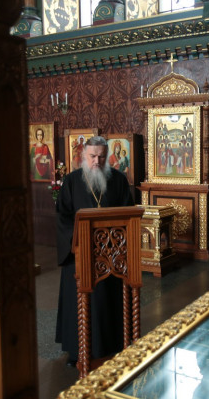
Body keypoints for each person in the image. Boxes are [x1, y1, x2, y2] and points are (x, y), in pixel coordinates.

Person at [55, 136, 133, 367]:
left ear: (107, 156)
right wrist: (77, 241)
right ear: (83, 156)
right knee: (79, 304)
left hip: (111, 255)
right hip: (79, 255)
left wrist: (114, 242)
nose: (96, 161)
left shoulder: (118, 180)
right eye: (92, 156)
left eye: (101, 156)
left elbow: (128, 213)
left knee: (108, 303)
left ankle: (113, 347)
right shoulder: (71, 181)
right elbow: (62, 216)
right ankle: (78, 351)